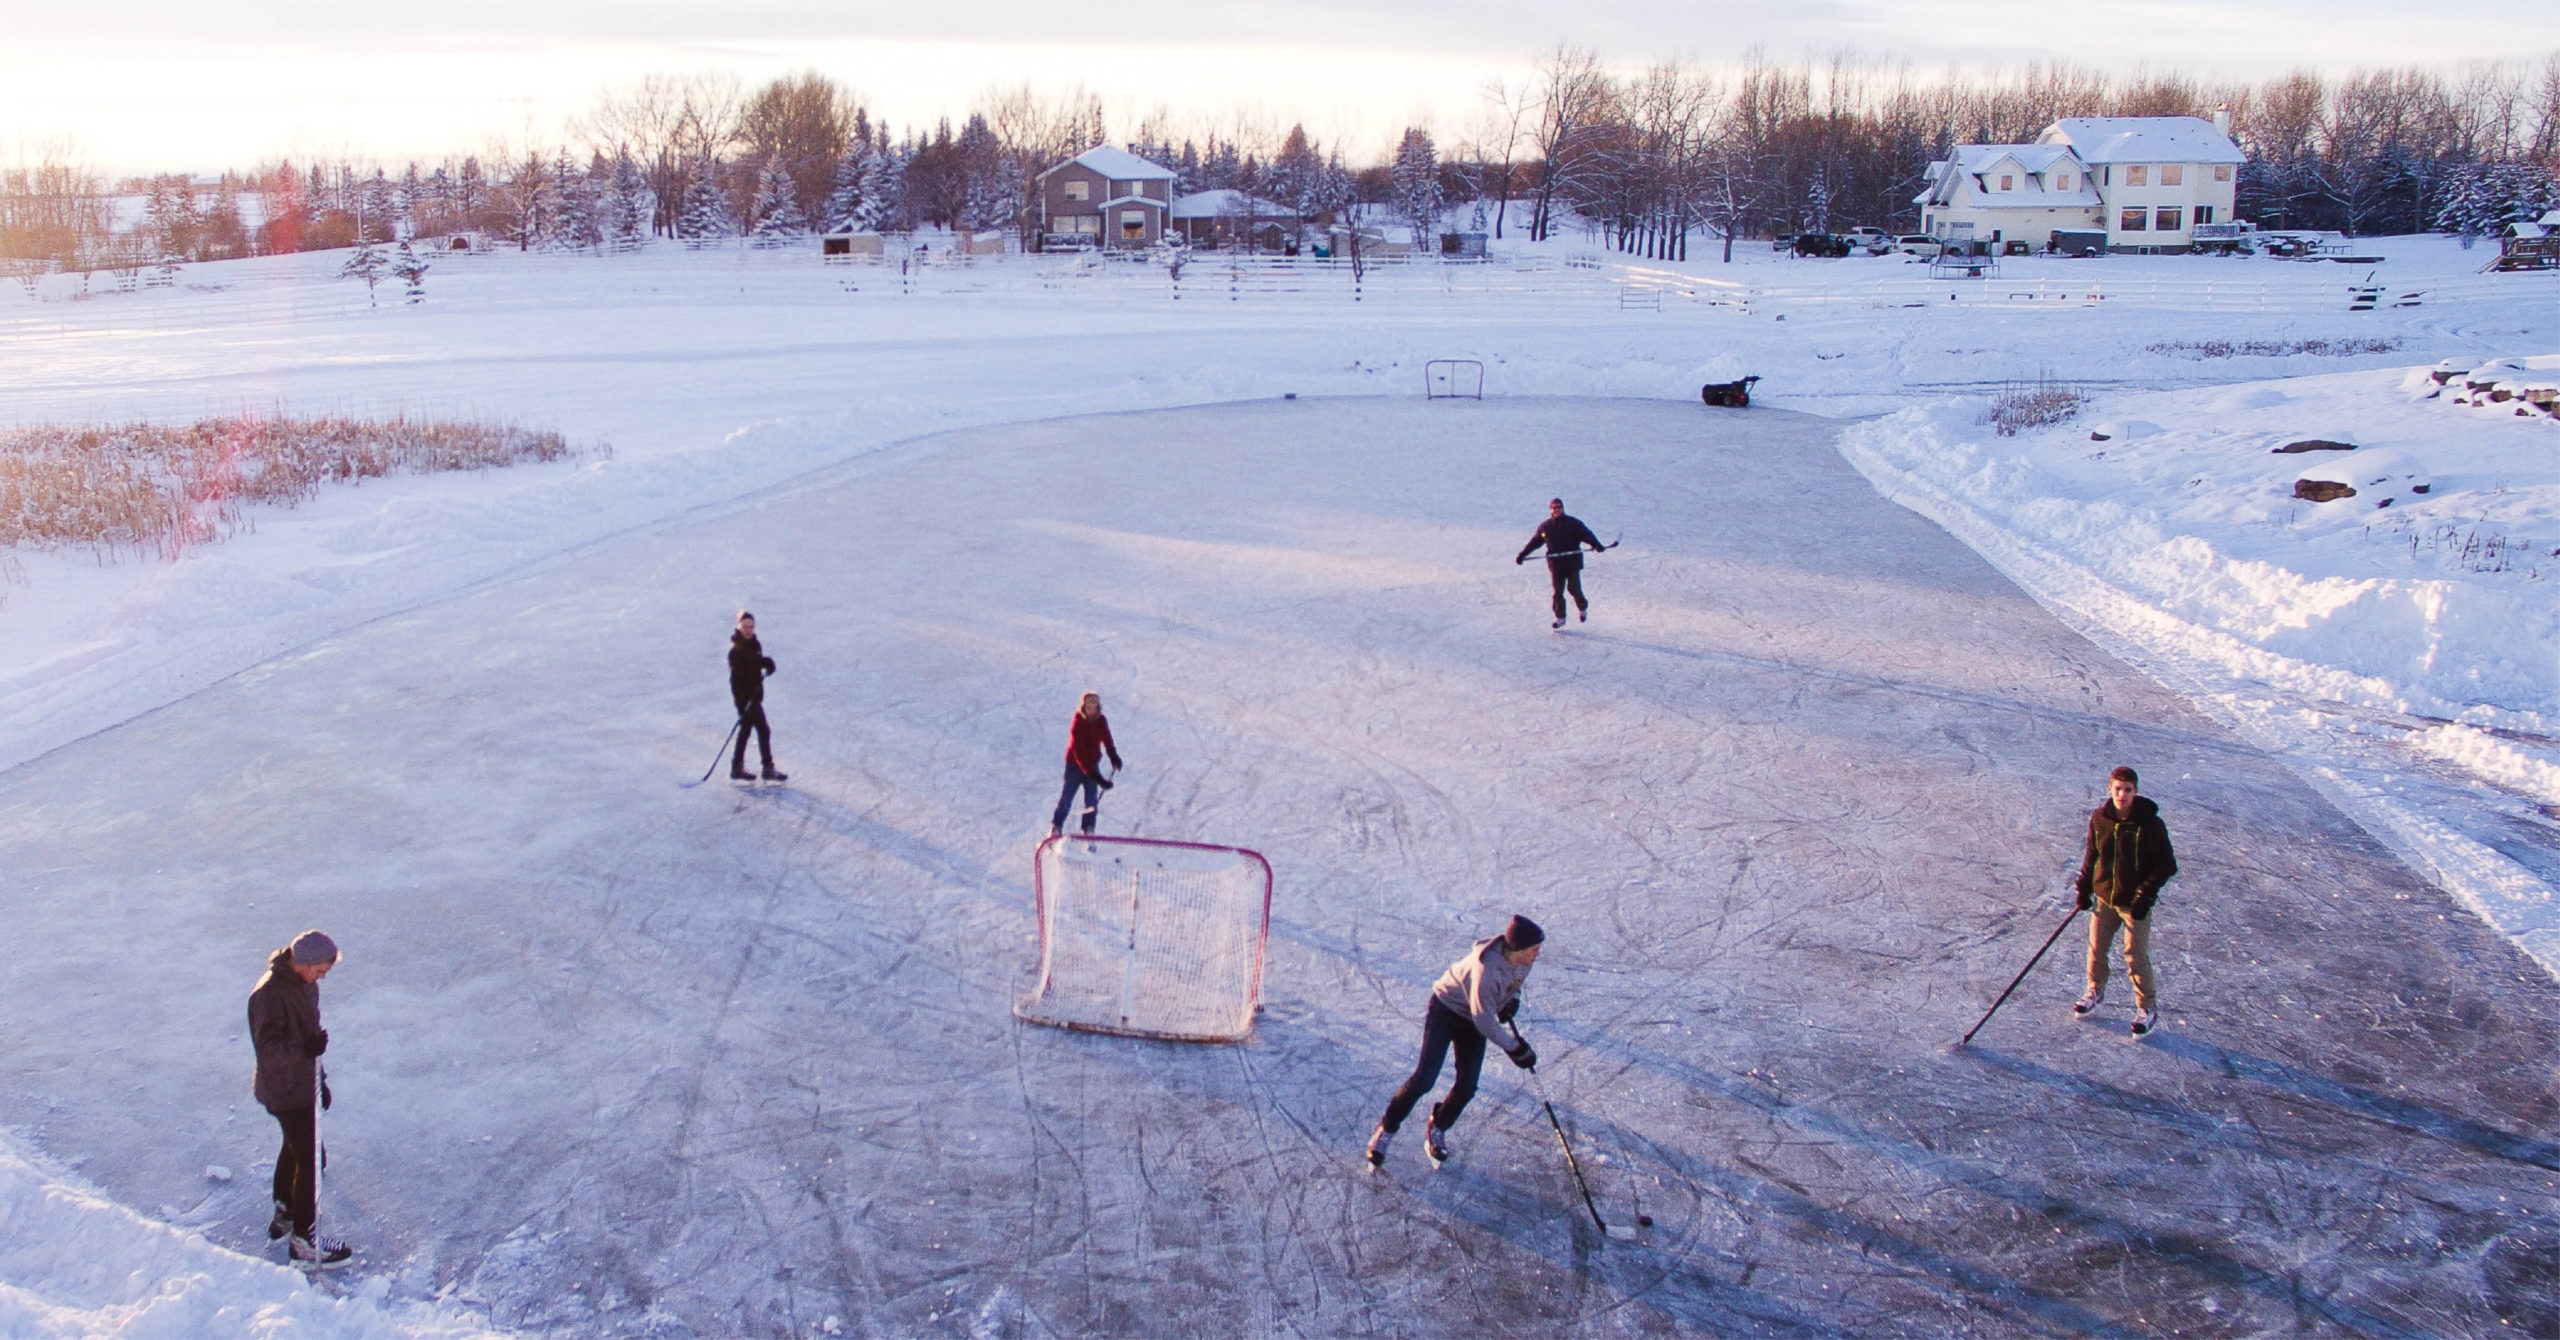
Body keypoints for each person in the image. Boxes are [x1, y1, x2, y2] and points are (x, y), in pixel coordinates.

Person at [1367, 915, 1543, 1169]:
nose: (1537, 955)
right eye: (1534, 950)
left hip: (1473, 1017)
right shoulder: (1487, 969)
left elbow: (1514, 984)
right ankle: (1386, 1128)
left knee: (1467, 1086)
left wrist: (1511, 1000)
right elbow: (1483, 1019)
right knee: (1425, 1078)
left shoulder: (1525, 961)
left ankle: (1438, 1126)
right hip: (1446, 1009)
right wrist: (1516, 1048)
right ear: (1517, 948)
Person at [248, 930, 352, 1268]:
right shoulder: (269, 995)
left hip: (301, 1084)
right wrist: (305, 1050)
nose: (323, 976)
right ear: (304, 962)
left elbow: (310, 1037)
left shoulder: (306, 986)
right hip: (284, 1089)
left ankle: (285, 1213)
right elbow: (269, 1051)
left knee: (295, 1148)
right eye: (321, 969)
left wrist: (319, 1080)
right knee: (311, 1161)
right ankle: (304, 1241)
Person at [2073, 766, 2178, 1037]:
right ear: (2110, 789)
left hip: (2134, 902)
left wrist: (2146, 893)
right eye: (2118, 789)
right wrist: (2084, 887)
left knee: (2134, 955)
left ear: (2136, 791)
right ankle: (2094, 989)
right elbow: (2091, 855)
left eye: (2128, 789)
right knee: (2096, 948)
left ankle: (2147, 1007)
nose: (2122, 794)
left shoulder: (2150, 825)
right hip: (2105, 897)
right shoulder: (2099, 819)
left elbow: (2167, 865)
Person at [1514, 498, 1608, 629]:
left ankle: (1582, 607)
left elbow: (1586, 534)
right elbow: (1535, 542)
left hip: (1572, 563)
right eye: (1554, 508)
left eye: (1558, 507)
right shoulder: (1545, 527)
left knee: (1573, 588)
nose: (1556, 510)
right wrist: (1522, 555)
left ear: (1562, 508)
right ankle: (1560, 617)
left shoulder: (1573, 524)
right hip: (1556, 565)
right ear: (1550, 510)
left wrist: (1597, 545)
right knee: (1557, 592)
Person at [1049, 691, 1123, 837]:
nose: (1091, 709)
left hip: (1092, 765)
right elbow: (1079, 754)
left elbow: (1107, 740)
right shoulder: (1078, 722)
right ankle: (1056, 826)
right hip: (1075, 766)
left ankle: (1088, 828)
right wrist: (1099, 779)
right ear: (1083, 707)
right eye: (1088, 706)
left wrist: (1113, 756)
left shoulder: (1101, 721)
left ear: (1098, 707)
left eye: (1094, 706)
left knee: (1091, 800)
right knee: (1067, 798)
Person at [728, 611, 785, 783]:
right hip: (747, 700)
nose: (748, 630)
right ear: (739, 627)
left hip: (754, 697)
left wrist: (767, 663)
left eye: (751, 626)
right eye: (745, 626)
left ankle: (736, 767)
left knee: (745, 731)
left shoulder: (754, 644)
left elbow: (756, 663)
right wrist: (743, 701)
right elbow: (735, 680)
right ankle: (767, 768)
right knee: (763, 730)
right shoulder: (736, 651)